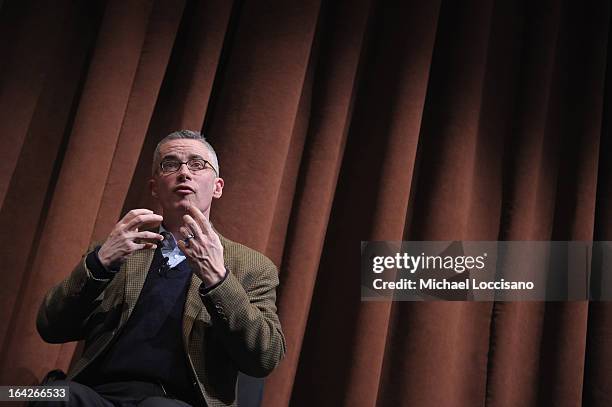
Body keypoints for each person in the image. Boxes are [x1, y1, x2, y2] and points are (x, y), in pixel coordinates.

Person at [36, 130, 286, 406]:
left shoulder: (251, 266)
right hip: (97, 394)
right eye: (170, 164)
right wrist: (100, 262)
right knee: (49, 395)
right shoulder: (121, 249)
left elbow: (264, 358)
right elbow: (50, 327)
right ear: (154, 187)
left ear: (217, 187)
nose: (184, 173)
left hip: (177, 401)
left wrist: (218, 279)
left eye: (197, 164)